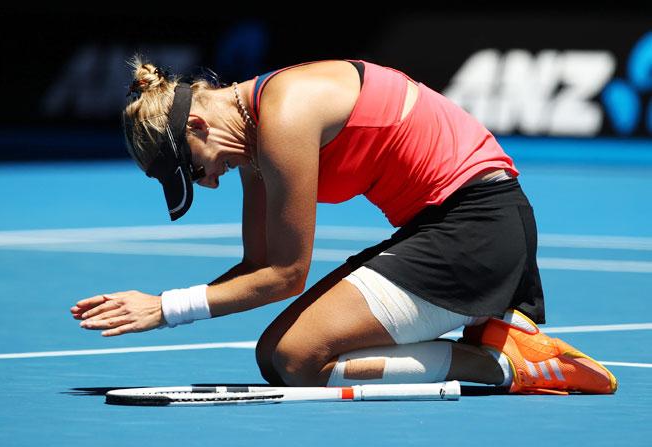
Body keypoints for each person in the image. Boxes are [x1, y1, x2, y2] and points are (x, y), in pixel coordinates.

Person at [70, 56, 617, 394]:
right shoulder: (253, 139)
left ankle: (501, 365)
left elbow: (285, 275)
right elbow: (258, 266)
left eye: (194, 169)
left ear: (196, 123)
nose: (207, 183)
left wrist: (167, 309)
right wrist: (165, 303)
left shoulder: (285, 115)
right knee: (276, 357)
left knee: (297, 358)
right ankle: (494, 345)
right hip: (444, 229)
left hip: (478, 231)